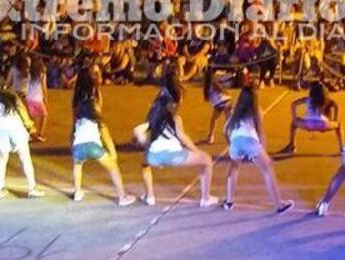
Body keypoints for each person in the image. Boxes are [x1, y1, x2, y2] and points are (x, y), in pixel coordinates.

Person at [139, 75, 218, 208]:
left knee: (144, 164)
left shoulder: (153, 115)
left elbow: (145, 134)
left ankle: (149, 197)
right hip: (175, 156)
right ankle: (206, 198)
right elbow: (183, 138)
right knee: (207, 160)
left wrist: (148, 150)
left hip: (154, 157)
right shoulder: (175, 119)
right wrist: (196, 151)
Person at [222, 76, 294, 214]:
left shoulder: (235, 112)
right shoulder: (256, 111)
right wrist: (264, 152)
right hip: (250, 141)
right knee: (268, 170)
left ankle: (229, 202)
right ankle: (279, 205)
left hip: (235, 142)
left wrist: (230, 144)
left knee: (233, 169)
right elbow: (261, 132)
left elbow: (225, 130)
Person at [70, 70, 135, 206]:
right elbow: (105, 133)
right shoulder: (94, 112)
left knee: (78, 165)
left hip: (78, 147)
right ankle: (122, 196)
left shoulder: (77, 109)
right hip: (93, 147)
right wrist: (112, 151)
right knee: (113, 168)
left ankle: (77, 192)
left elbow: (73, 132)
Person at [0, 85, 46, 199]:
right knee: (25, 160)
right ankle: (32, 188)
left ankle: (0, 189)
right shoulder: (12, 96)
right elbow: (22, 112)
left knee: (2, 160)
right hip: (17, 129)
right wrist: (29, 125)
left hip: (1, 130)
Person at [281, 81, 344, 154]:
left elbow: (293, 104)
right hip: (323, 124)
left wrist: (294, 117)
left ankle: (292, 146)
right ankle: (342, 149)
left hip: (308, 124)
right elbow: (336, 106)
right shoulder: (327, 100)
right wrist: (334, 119)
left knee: (293, 124)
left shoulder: (307, 99)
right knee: (339, 125)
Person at [203, 68, 232, 145]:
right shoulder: (214, 83)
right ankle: (232, 136)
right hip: (226, 101)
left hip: (218, 104)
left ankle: (211, 137)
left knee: (214, 120)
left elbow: (207, 99)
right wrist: (227, 93)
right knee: (229, 120)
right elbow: (220, 90)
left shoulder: (206, 87)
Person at [25, 58, 48, 142]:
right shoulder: (42, 75)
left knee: (32, 118)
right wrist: (46, 98)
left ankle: (31, 135)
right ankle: (40, 134)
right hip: (38, 99)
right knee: (44, 115)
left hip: (29, 98)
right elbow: (44, 87)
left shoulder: (29, 73)